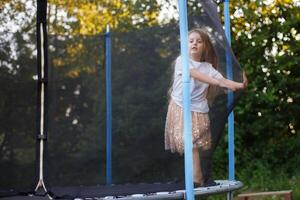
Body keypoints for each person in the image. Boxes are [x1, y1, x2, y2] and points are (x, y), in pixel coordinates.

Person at [164, 28, 247, 187]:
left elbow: (223, 80)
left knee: (194, 144)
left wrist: (239, 85)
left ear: (204, 47)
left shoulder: (207, 67)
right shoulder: (182, 61)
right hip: (181, 107)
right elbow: (195, 75)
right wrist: (217, 83)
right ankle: (197, 178)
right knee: (189, 143)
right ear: (186, 45)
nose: (195, 43)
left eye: (199, 41)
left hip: (198, 109)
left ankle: (197, 178)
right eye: (191, 41)